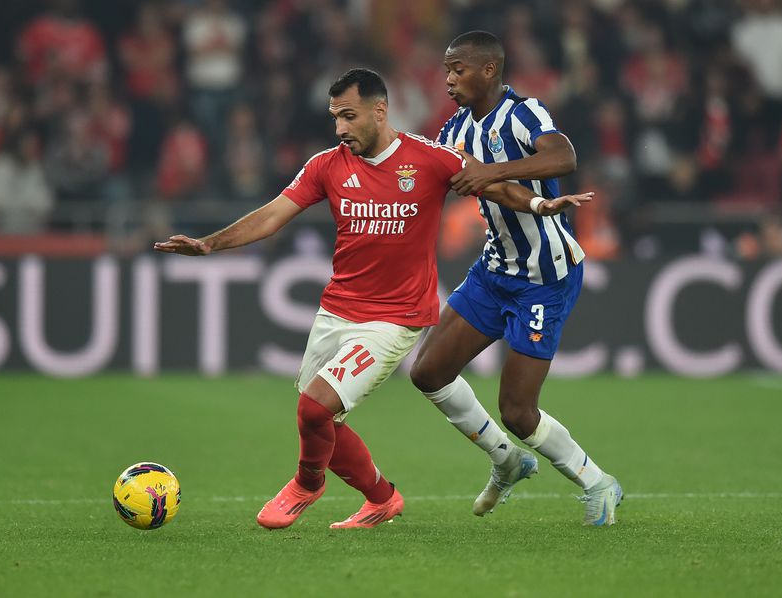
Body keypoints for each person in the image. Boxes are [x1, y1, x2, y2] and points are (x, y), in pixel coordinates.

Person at [154, 68, 592, 530]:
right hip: (338, 308)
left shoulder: (430, 159)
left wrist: (542, 206)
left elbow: (494, 186)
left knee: (315, 407)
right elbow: (273, 215)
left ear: (379, 111)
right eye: (334, 118)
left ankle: (306, 484)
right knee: (320, 420)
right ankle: (381, 498)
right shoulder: (326, 165)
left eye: (349, 116)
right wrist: (209, 244)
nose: (340, 128)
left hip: (396, 318)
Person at [410, 31, 623, 526]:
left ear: (488, 70)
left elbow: (563, 157)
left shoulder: (525, 112)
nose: (448, 80)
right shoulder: (455, 130)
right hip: (494, 270)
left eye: (457, 69)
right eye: (445, 70)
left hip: (545, 278)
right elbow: (492, 188)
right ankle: (507, 460)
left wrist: (491, 173)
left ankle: (597, 481)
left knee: (518, 412)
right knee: (428, 373)